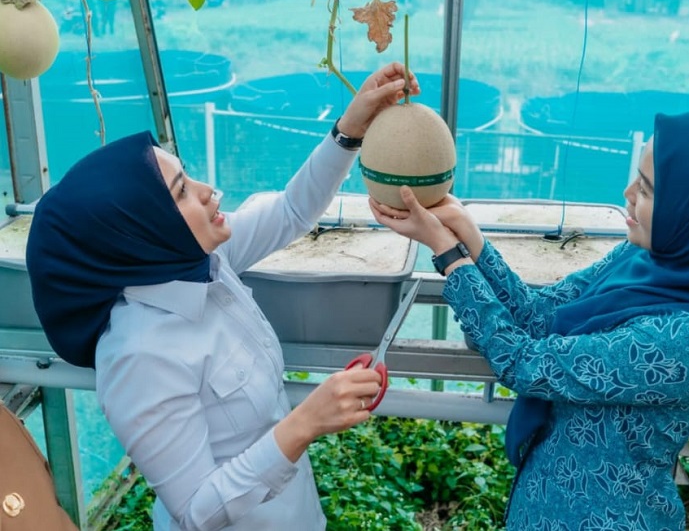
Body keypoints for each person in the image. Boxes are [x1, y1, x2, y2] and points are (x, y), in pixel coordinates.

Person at [370, 111, 689, 530]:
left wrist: (449, 255)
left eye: (647, 189)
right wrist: (469, 235)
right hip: (544, 502)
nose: (628, 193)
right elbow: (541, 318)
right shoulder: (643, 260)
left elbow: (526, 363)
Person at [25, 63, 420, 530]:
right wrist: (305, 423)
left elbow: (293, 210)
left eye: (188, 177)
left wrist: (350, 128)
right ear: (142, 231)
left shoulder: (202, 262)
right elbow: (196, 511)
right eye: (182, 193)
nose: (210, 192)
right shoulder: (138, 355)